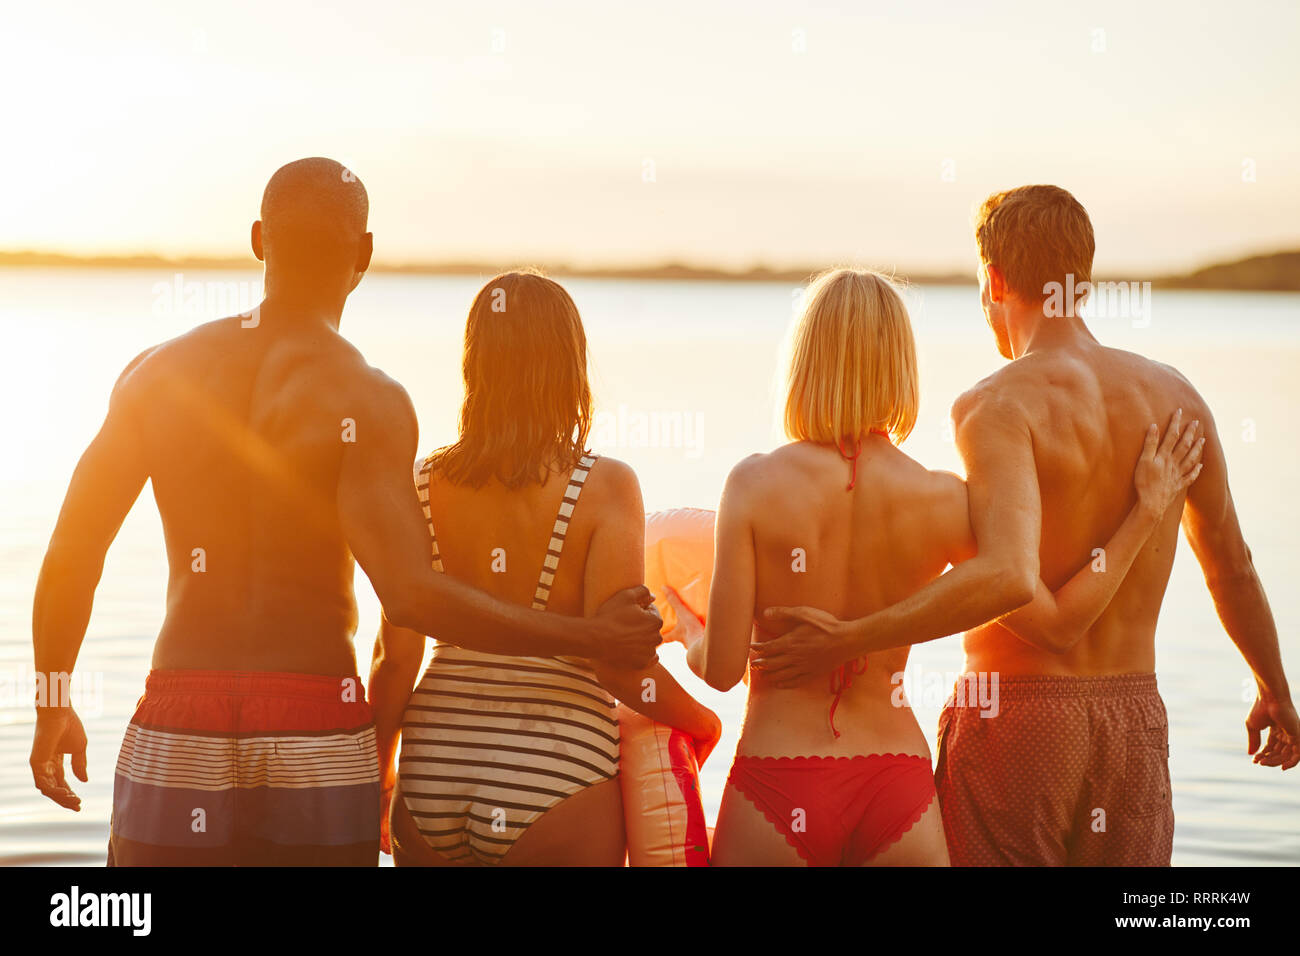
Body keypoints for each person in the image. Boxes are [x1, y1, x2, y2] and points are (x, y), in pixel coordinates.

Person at [28, 160, 662, 866]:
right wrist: (587, 633)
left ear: (258, 238)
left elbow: (72, 551)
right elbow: (410, 595)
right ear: (362, 254)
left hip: (183, 712)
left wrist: (54, 697)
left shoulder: (155, 375)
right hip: (316, 724)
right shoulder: (370, 400)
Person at [754, 186, 1299, 866]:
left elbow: (1007, 582)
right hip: (1133, 720)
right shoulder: (1178, 398)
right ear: (1084, 279)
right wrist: (1272, 687)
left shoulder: (995, 406)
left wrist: (853, 638)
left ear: (995, 280)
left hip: (1015, 717)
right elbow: (1233, 565)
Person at [687, 266, 1202, 866]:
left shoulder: (752, 484)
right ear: (900, 367)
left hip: (778, 776)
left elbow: (723, 670)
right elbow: (1058, 620)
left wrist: (689, 627)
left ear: (803, 362)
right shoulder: (943, 499)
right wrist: (1145, 512)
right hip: (897, 788)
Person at [369, 270, 720, 866]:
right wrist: (703, 720)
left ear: (475, 364)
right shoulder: (604, 487)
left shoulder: (422, 483)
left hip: (434, 768)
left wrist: (378, 774)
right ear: (568, 365)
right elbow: (618, 664)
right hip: (556, 772)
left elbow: (394, 656)